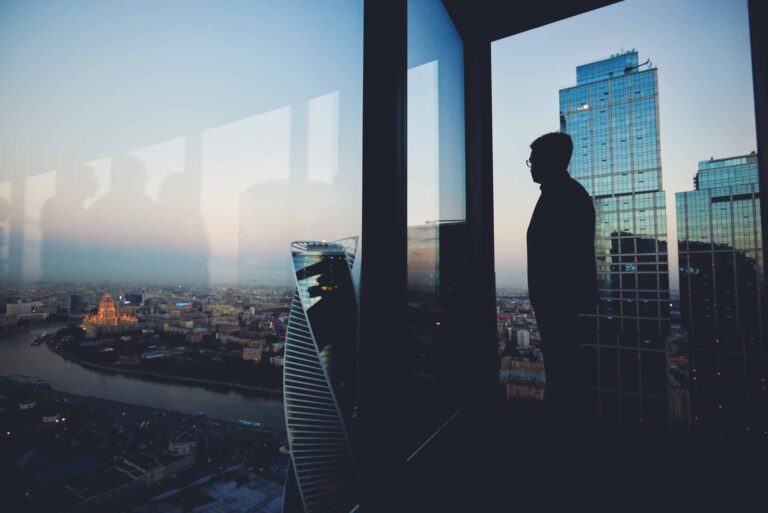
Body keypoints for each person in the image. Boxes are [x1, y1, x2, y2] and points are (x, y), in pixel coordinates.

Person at [526, 132, 598, 433]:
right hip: (560, 304)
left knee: (563, 374)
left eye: (534, 160)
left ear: (551, 160)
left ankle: (561, 434)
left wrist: (552, 297)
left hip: (561, 306)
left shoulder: (563, 196)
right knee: (562, 372)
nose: (530, 166)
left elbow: (564, 257)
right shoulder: (563, 193)